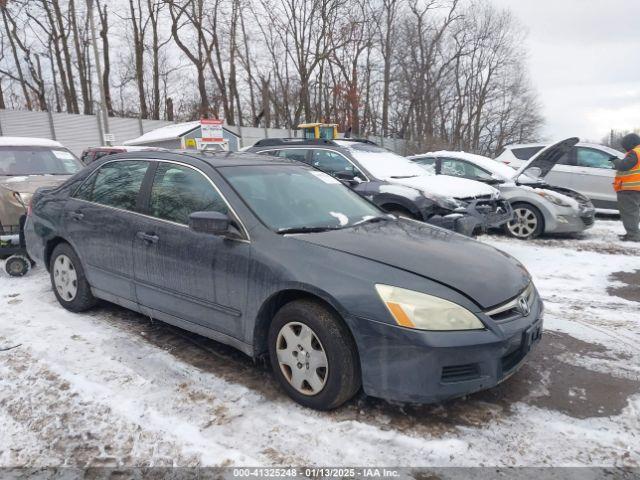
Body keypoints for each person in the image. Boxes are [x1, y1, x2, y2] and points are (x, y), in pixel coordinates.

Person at [614, 133, 640, 242]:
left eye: (625, 144)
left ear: (631, 143)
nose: (624, 147)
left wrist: (614, 160)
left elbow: (623, 166)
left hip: (630, 188)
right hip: (635, 188)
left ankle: (633, 236)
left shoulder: (635, 153)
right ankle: (633, 233)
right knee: (633, 212)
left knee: (629, 212)